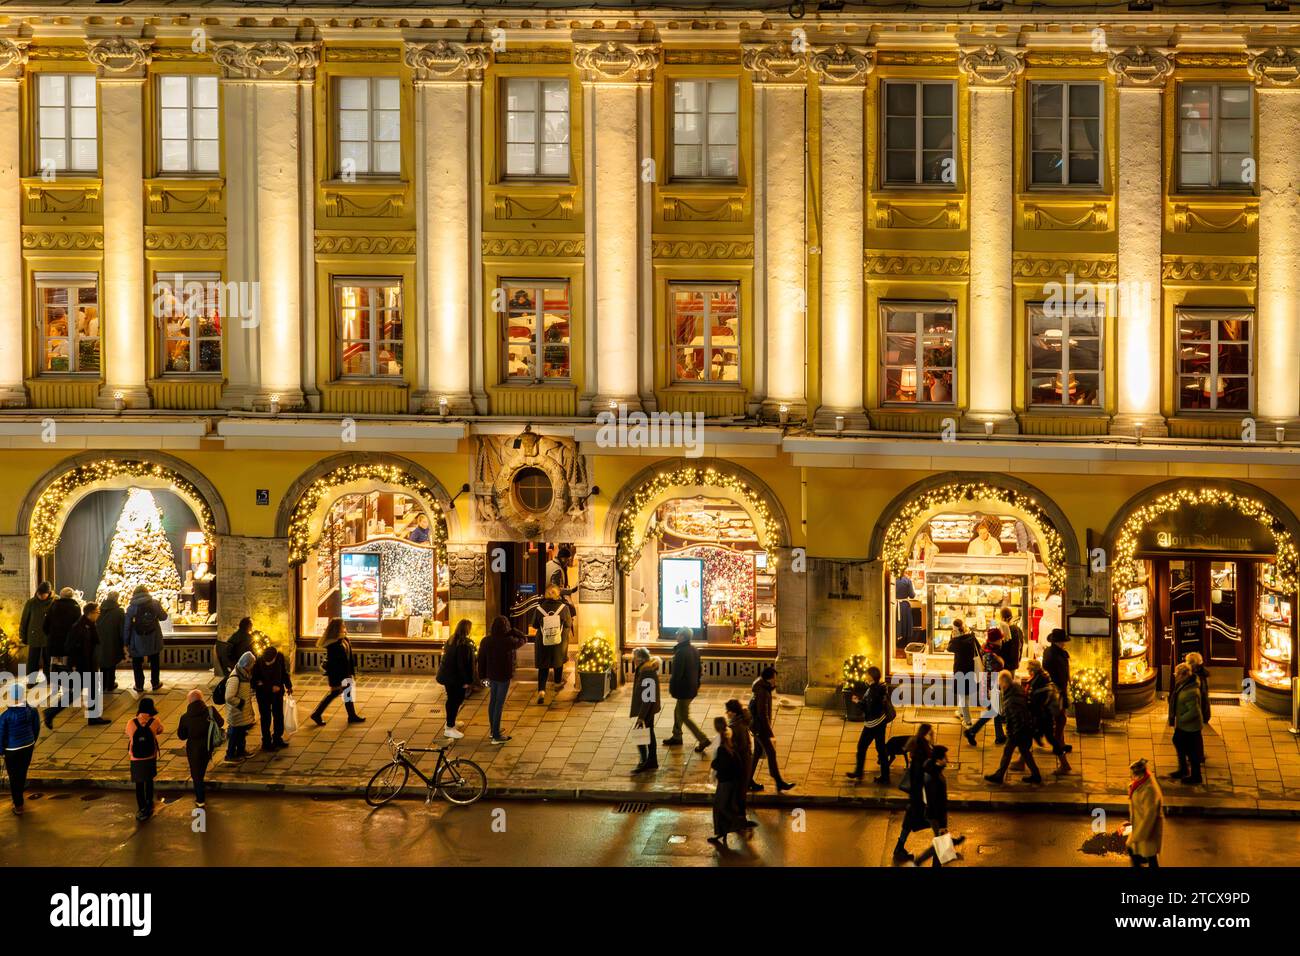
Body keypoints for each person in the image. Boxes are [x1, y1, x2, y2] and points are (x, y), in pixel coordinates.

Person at [983, 670, 1042, 785]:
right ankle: (1035, 775)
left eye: (1000, 683)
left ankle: (1000, 776)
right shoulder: (1015, 689)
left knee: (1012, 752)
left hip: (1018, 730)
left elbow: (1015, 718)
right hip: (1024, 728)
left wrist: (1011, 733)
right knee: (1022, 752)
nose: (1000, 686)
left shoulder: (1011, 700)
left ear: (1004, 683)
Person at [476, 615, 528, 744]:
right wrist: (512, 630)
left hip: (491, 675)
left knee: (493, 701)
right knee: (499, 703)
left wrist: (482, 676)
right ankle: (496, 735)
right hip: (503, 676)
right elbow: (523, 638)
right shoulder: (508, 641)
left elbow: (481, 660)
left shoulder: (486, 641)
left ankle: (493, 730)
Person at [912, 746, 965, 867]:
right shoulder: (935, 778)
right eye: (945, 757)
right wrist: (942, 825)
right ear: (938, 760)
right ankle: (918, 861)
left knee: (940, 840)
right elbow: (936, 803)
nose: (947, 759)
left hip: (933, 814)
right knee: (939, 842)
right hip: (934, 815)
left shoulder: (932, 770)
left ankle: (935, 862)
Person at [892, 724, 936, 863]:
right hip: (920, 798)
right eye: (931, 733)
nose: (933, 735)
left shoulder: (921, 750)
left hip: (916, 798)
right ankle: (943, 848)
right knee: (936, 823)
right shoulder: (921, 755)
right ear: (925, 735)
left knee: (909, 823)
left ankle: (899, 848)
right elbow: (920, 778)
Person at [311, 618, 366, 726]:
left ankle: (352, 715)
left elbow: (348, 658)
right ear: (337, 628)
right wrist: (339, 680)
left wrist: (350, 673)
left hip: (346, 673)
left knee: (347, 694)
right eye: (342, 625)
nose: (344, 626)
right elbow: (334, 664)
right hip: (338, 675)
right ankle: (317, 714)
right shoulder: (333, 644)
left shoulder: (343, 639)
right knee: (334, 694)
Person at [748, 665, 795, 792]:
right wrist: (769, 732)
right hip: (760, 728)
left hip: (757, 726)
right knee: (771, 753)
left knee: (757, 753)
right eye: (775, 678)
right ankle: (779, 782)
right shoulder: (763, 692)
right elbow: (762, 714)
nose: (776, 681)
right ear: (769, 679)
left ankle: (747, 781)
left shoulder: (763, 688)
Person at [664, 627, 710, 753]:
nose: (676, 635)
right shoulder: (694, 649)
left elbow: (677, 674)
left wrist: (673, 688)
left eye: (677, 633)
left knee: (684, 716)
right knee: (677, 711)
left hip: (684, 689)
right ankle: (677, 735)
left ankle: (702, 739)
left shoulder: (680, 652)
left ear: (683, 637)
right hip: (692, 687)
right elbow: (700, 670)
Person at [176, 688, 223, 808]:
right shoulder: (210, 710)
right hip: (208, 746)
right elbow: (221, 722)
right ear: (201, 699)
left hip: (194, 749)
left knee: (196, 774)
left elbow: (182, 736)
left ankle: (200, 799)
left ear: (189, 702)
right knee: (202, 768)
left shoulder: (185, 717)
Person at [707, 716, 749, 849]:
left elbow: (720, 763)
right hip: (731, 780)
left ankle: (739, 823)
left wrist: (714, 764)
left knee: (720, 807)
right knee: (722, 806)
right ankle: (722, 833)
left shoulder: (720, 742)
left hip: (725, 781)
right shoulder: (729, 736)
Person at [845, 666, 892, 784]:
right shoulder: (878, 687)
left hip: (873, 724)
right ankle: (883, 776)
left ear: (871, 677)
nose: (865, 675)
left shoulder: (873, 691)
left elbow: (868, 709)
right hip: (879, 722)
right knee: (879, 749)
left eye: (867, 674)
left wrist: (857, 702)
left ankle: (861, 772)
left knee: (863, 747)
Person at [66, 601, 110, 727]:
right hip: (84, 664)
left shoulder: (90, 625)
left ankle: (94, 717)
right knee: (78, 692)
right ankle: (51, 712)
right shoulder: (80, 626)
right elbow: (71, 646)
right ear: (90, 613)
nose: (99, 615)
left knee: (93, 691)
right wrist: (74, 664)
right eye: (97, 612)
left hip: (90, 664)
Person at [0, 681, 41, 815]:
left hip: (12, 749)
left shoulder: (5, 716)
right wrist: (32, 740)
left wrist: (1, 751)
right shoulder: (32, 711)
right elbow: (36, 728)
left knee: (13, 776)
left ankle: (18, 805)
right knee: (22, 772)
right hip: (27, 746)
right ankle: (19, 796)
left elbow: (1, 735)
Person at [527, 584, 572, 704]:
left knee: (543, 666)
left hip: (543, 641)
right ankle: (557, 683)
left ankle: (541, 690)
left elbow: (535, 625)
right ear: (558, 594)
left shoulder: (539, 608)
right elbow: (568, 624)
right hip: (558, 641)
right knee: (558, 661)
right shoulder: (564, 608)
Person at [1027, 659, 1070, 775]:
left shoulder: (1038, 682)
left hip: (1043, 716)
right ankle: (1022, 762)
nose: (1027, 672)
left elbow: (1037, 702)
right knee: (1031, 737)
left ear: (1032, 670)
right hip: (1045, 715)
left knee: (1051, 739)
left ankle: (1064, 764)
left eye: (1029, 669)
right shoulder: (1044, 677)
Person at [963, 629, 1006, 746]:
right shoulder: (990, 655)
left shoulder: (986, 648)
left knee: (995, 711)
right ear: (995, 640)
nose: (1002, 641)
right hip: (989, 687)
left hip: (987, 685)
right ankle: (971, 732)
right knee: (993, 711)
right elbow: (993, 670)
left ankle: (1000, 736)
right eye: (1000, 639)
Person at [123, 585, 168, 694]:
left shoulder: (131, 607)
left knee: (137, 662)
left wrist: (125, 642)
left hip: (137, 638)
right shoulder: (155, 603)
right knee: (155, 660)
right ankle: (155, 683)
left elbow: (127, 626)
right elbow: (164, 617)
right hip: (153, 637)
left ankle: (139, 685)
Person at [125, 697, 164, 822]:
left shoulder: (131, 722)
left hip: (135, 757)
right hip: (150, 756)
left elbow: (128, 733)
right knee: (149, 780)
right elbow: (161, 730)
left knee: (139, 783)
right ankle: (149, 803)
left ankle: (141, 806)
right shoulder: (154, 721)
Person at [437, 619, 476, 739]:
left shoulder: (452, 640)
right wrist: (466, 681)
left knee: (453, 700)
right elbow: (462, 665)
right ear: (467, 630)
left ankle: (451, 722)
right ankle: (449, 727)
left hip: (448, 676)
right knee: (455, 700)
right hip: (455, 679)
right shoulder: (463, 645)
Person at [251, 643, 293, 751]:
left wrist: (288, 685)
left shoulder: (279, 657)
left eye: (270, 662)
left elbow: (284, 672)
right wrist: (271, 687)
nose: (268, 663)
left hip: (277, 694)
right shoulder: (258, 661)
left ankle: (277, 738)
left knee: (278, 715)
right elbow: (254, 682)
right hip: (263, 695)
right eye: (266, 662)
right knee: (265, 718)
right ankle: (266, 741)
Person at [1168, 661, 1204, 785]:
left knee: (1191, 751)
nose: (1175, 676)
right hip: (1184, 725)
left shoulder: (1190, 691)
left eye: (1177, 674)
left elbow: (1194, 711)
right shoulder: (1184, 685)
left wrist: (1181, 719)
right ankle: (1183, 769)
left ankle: (1195, 776)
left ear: (1184, 675)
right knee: (1178, 742)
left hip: (1190, 727)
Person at [1126, 758, 1164, 867]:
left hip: (1147, 831)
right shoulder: (1139, 785)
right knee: (1144, 856)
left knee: (1147, 856)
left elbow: (1149, 816)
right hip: (1140, 828)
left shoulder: (1149, 790)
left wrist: (1138, 835)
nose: (1132, 777)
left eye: (1133, 775)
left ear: (1140, 775)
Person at [629, 647, 661, 774]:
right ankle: (650, 760)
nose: (633, 660)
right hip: (647, 708)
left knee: (641, 732)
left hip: (647, 708)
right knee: (648, 732)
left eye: (634, 658)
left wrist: (641, 716)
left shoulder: (646, 671)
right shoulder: (645, 669)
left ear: (640, 659)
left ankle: (646, 761)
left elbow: (648, 697)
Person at [1042, 628, 1073, 754]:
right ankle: (1058, 745)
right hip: (1056, 691)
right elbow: (1056, 674)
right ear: (1057, 642)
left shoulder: (1055, 652)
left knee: (1060, 718)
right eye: (1062, 641)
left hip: (1059, 689)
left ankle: (1060, 743)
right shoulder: (1053, 655)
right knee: (1060, 719)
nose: (1064, 643)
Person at [946, 619, 980, 729]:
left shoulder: (957, 641)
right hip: (970, 669)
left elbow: (949, 648)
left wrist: (953, 636)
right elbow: (979, 648)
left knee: (963, 695)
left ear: (955, 629)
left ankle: (968, 721)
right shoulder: (971, 636)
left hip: (960, 670)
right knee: (965, 694)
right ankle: (960, 712)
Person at [223, 651, 257, 760]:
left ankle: (241, 751)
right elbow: (229, 697)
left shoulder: (243, 674)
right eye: (252, 664)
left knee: (241, 733)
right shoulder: (235, 677)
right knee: (234, 735)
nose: (253, 666)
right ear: (247, 664)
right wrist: (241, 703)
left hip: (242, 712)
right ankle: (230, 755)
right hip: (236, 712)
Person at [19, 582, 54, 685]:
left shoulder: (55, 602)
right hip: (33, 635)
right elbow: (24, 620)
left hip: (48, 636)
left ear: (48, 593)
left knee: (48, 659)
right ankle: (31, 680)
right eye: (39, 593)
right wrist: (22, 635)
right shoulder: (31, 603)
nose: (40, 595)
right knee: (32, 660)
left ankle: (48, 679)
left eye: (43, 594)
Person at [96, 591, 125, 693]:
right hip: (114, 639)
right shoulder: (119, 611)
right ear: (117, 598)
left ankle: (103, 684)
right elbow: (122, 629)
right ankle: (110, 683)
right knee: (112, 661)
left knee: (103, 661)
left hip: (100, 640)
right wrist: (124, 642)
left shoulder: (99, 609)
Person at [999, 607, 1024, 675]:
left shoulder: (1003, 631)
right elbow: (1021, 647)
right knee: (1010, 683)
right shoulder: (1018, 630)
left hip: (1004, 664)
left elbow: (1001, 648)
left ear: (1002, 618)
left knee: (1003, 683)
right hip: (1014, 664)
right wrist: (1018, 661)